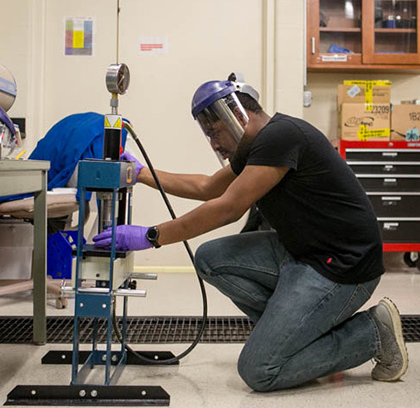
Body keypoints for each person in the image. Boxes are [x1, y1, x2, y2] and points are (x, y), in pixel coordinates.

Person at [93, 79, 408, 391]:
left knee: (259, 371)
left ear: (238, 113)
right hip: (301, 252)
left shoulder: (281, 136)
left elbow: (227, 208)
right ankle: (296, 335)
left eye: (215, 132)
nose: (215, 144)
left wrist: (150, 236)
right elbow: (207, 188)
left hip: (341, 267)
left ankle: (372, 333)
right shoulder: (255, 147)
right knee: (210, 258)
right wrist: (142, 174)